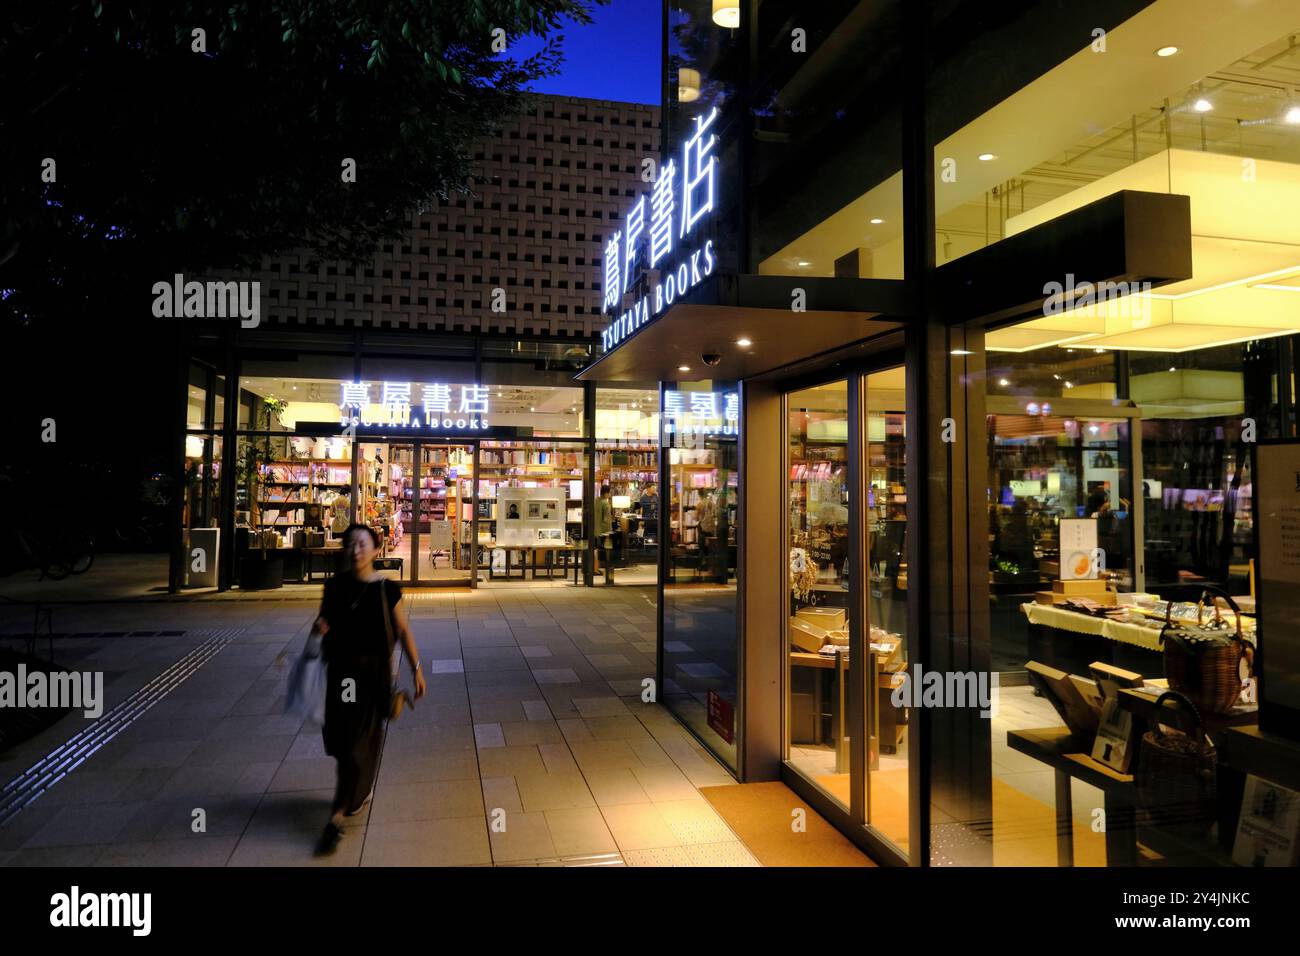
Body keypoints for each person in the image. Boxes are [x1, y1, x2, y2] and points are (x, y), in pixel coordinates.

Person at [310, 523, 425, 855]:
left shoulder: (387, 589)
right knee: (345, 741)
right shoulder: (335, 587)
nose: (356, 550)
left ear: (377, 548)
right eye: (351, 544)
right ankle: (356, 793)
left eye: (362, 544)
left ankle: (336, 818)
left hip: (372, 677)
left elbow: (403, 630)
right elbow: (320, 628)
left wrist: (416, 669)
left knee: (357, 742)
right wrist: (319, 630)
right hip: (341, 677)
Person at [593, 484, 613, 576]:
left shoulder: (596, 501)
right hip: (603, 531)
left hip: (594, 529)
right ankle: (597, 569)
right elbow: (606, 519)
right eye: (609, 493)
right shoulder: (605, 503)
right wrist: (609, 531)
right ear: (606, 493)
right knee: (602, 550)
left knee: (595, 549)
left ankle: (595, 568)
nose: (609, 495)